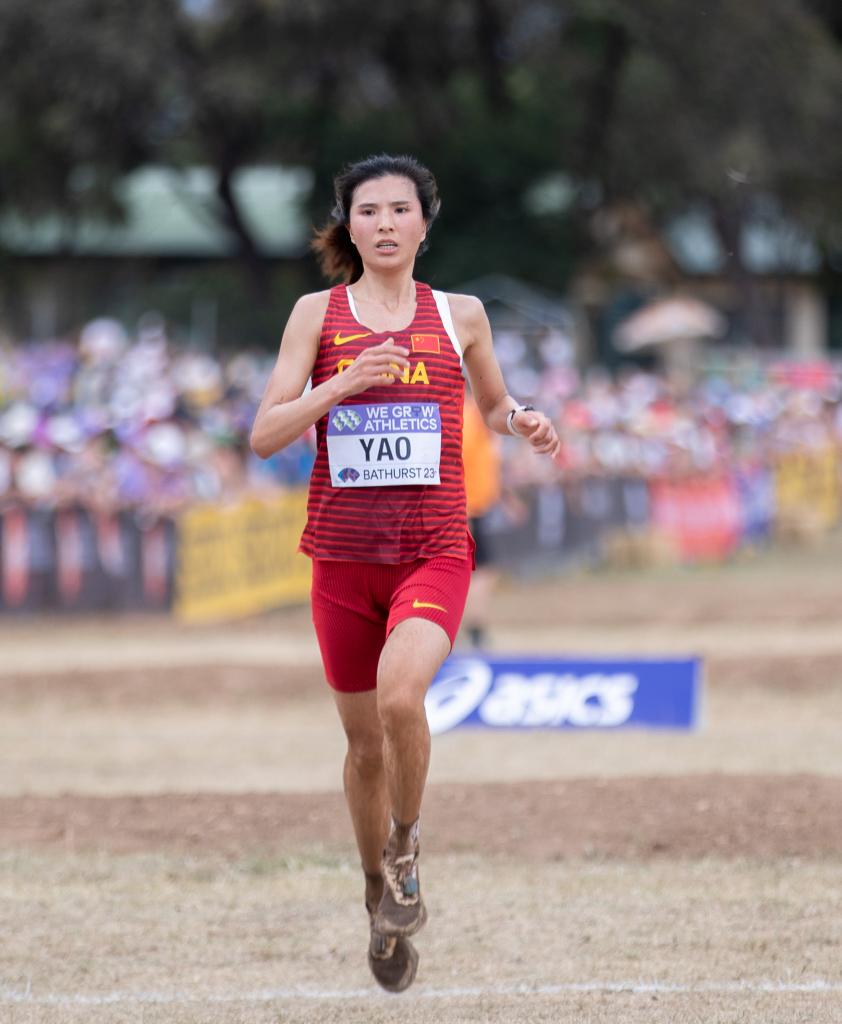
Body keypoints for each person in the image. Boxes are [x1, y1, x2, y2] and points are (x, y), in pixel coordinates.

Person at [250, 153, 559, 993]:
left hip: (433, 549)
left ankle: (405, 845)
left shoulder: (461, 314)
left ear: (425, 222)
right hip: (342, 561)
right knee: (362, 751)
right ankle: (373, 893)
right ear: (348, 227)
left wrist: (522, 419)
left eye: (399, 209)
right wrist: (341, 384)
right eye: (368, 211)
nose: (384, 223)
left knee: (399, 700)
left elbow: (492, 404)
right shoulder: (315, 315)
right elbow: (266, 433)